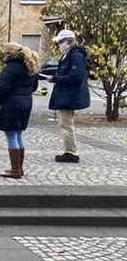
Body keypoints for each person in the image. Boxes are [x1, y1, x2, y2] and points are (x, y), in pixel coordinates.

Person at [0, 43, 39, 178]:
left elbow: (3, 89)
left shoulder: (10, 69)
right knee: (18, 134)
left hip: (11, 104)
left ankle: (15, 170)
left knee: (11, 135)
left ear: (8, 54)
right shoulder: (29, 66)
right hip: (26, 103)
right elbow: (34, 86)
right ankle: (19, 168)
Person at [45, 29, 90, 163]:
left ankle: (71, 152)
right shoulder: (69, 55)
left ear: (69, 41)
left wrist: (55, 79)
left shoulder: (75, 56)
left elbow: (75, 77)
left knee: (66, 124)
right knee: (64, 123)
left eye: (60, 42)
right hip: (66, 95)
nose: (59, 45)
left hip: (69, 96)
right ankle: (69, 150)